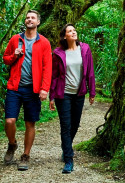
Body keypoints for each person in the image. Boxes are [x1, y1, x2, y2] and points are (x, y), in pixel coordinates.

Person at [2, 9, 52, 171]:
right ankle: (12, 144)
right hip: (15, 88)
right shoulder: (15, 39)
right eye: (27, 17)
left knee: (30, 123)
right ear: (25, 21)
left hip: (33, 90)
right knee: (10, 120)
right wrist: (14, 55)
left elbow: (47, 67)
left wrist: (44, 88)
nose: (29, 20)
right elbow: (6, 59)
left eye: (33, 18)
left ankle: (25, 155)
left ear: (38, 22)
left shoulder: (43, 42)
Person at [49, 23, 96, 174]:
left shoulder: (85, 49)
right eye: (70, 31)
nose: (74, 32)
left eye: (74, 30)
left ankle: (66, 148)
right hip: (63, 94)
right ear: (65, 36)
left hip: (79, 93)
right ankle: (69, 159)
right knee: (66, 126)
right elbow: (54, 76)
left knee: (75, 124)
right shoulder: (58, 53)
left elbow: (90, 72)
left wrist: (92, 92)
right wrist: (51, 96)